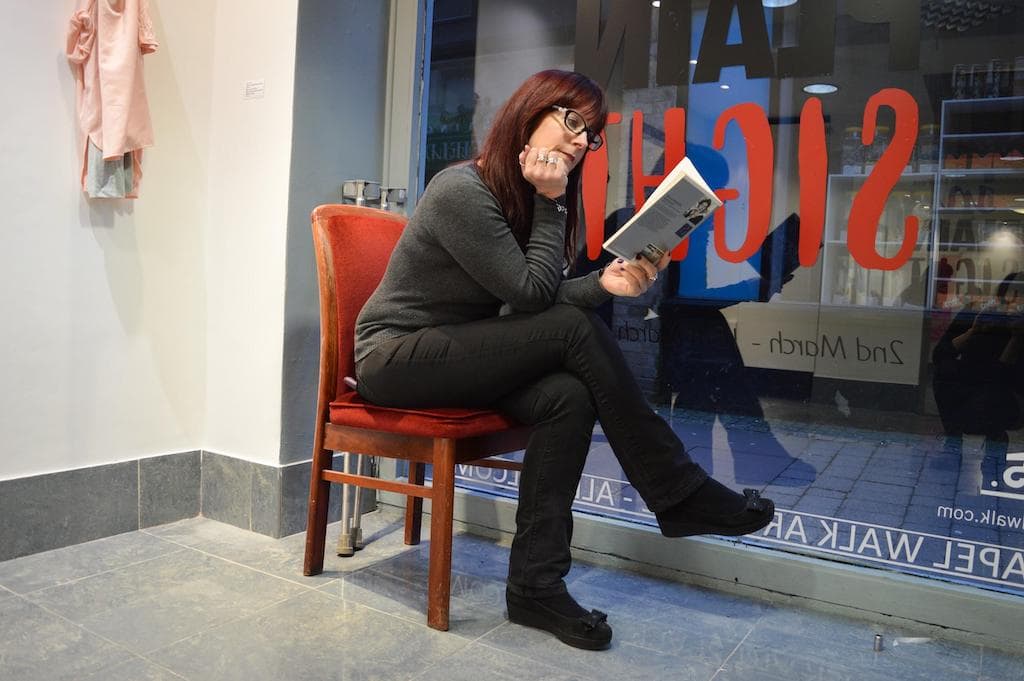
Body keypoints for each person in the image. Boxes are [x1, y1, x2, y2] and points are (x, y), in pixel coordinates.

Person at [353, 69, 774, 650]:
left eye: (590, 134)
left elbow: (536, 300)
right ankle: (677, 490)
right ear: (529, 116)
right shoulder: (462, 191)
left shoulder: (523, 198)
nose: (581, 141)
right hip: (395, 357)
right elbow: (531, 298)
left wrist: (608, 283)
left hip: (464, 350)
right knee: (573, 332)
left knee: (567, 397)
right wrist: (552, 205)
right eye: (572, 122)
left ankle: (534, 585)